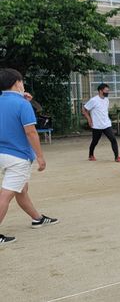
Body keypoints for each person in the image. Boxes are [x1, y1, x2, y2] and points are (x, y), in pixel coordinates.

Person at [0, 69, 59, 245]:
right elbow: (31, 132)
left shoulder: (12, 101)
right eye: (22, 82)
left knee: (21, 189)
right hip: (17, 156)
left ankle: (37, 218)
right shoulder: (22, 104)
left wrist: (25, 101)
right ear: (17, 83)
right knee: (6, 195)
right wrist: (40, 157)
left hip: (2, 154)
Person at [83, 83, 120, 162]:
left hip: (106, 124)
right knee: (95, 141)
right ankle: (91, 155)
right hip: (97, 125)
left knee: (113, 139)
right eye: (106, 90)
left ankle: (117, 157)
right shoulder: (94, 100)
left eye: (108, 91)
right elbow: (84, 110)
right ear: (101, 91)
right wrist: (89, 119)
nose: (107, 92)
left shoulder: (106, 100)